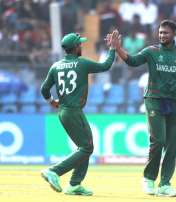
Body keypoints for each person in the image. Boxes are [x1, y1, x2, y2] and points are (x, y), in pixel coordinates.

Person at [114, 19, 176, 197]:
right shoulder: (151, 51)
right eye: (160, 32)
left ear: (174, 35)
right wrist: (118, 48)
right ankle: (148, 178)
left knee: (172, 145)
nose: (162, 35)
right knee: (159, 140)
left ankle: (164, 184)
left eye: (166, 33)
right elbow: (132, 61)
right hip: (154, 99)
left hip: (174, 102)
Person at [40, 30, 119, 196]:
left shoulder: (56, 66)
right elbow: (105, 66)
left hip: (63, 111)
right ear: (75, 47)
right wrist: (112, 48)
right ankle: (54, 171)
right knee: (86, 147)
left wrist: (52, 101)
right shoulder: (82, 63)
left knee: (84, 147)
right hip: (74, 111)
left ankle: (75, 184)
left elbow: (44, 89)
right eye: (80, 44)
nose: (81, 45)